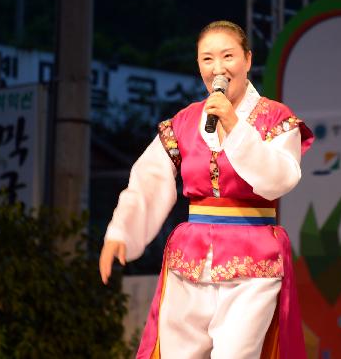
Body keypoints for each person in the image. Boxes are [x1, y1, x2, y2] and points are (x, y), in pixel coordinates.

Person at [100, 20, 314, 358]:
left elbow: (281, 177)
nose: (218, 68)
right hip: (190, 256)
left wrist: (233, 125)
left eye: (228, 56)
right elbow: (149, 177)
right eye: (207, 59)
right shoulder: (185, 121)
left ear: (247, 59)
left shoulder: (275, 118)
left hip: (253, 260)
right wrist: (122, 231)